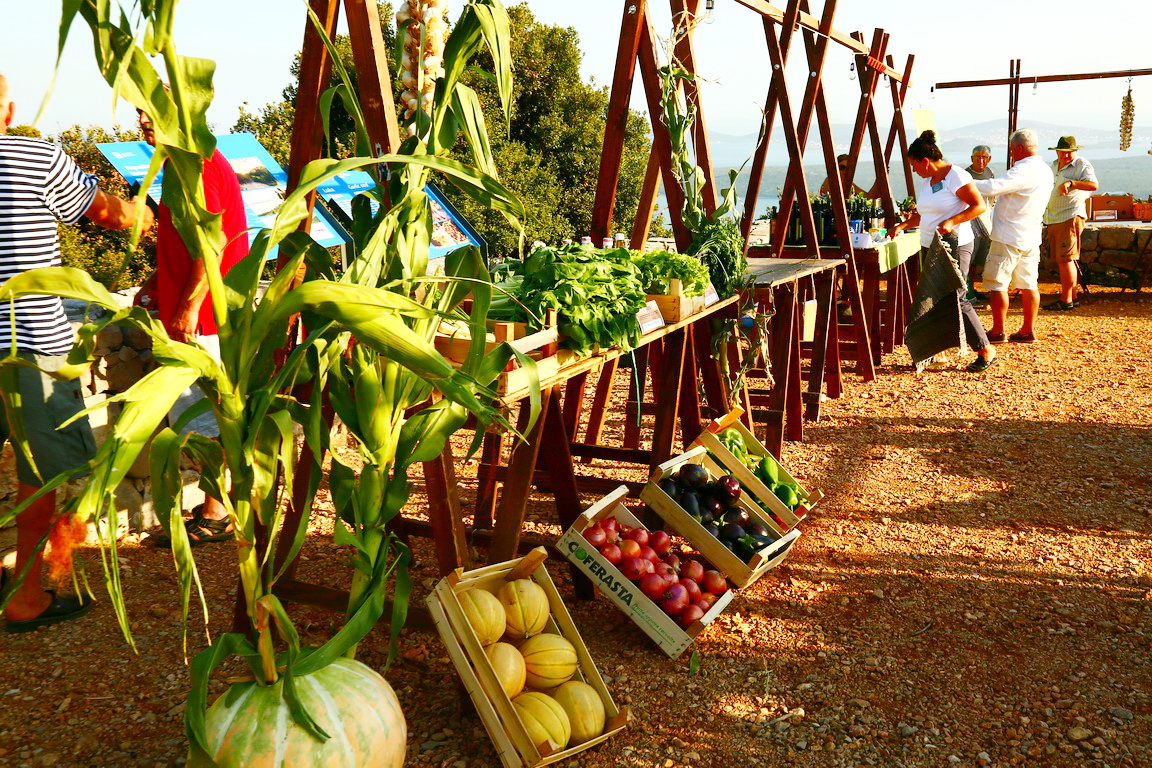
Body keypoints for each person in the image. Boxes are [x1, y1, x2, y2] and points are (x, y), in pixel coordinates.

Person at [0, 73, 154, 631]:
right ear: (11, 109)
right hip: (26, 344)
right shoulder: (30, 153)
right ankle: (28, 597)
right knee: (43, 474)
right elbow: (102, 212)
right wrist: (151, 212)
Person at [133, 106, 248, 544]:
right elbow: (186, 240)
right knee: (202, 412)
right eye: (140, 116)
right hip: (201, 309)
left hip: (206, 318)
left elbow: (212, 244)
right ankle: (220, 506)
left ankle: (216, 514)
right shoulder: (189, 161)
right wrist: (156, 284)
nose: (143, 125)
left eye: (150, 116)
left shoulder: (197, 165)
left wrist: (187, 309)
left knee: (200, 414)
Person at [891, 131, 995, 372]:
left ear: (925, 161)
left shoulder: (956, 175)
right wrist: (903, 225)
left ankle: (985, 348)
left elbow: (978, 205)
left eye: (914, 165)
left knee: (957, 297)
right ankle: (934, 351)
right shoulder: (929, 181)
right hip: (929, 245)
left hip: (955, 245)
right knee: (932, 298)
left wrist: (952, 221)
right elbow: (924, 213)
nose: (914, 170)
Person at [971, 128, 1055, 344]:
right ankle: (1027, 329)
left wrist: (963, 182)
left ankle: (998, 330)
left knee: (997, 283)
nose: (1011, 153)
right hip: (1031, 234)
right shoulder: (1045, 170)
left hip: (1008, 235)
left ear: (1018, 148)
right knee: (1029, 284)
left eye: (1011, 149)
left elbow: (992, 187)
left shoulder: (1023, 170)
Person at [1042, 135, 1098, 310]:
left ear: (1075, 151)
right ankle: (1072, 297)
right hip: (1054, 217)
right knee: (1065, 259)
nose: (1065, 156)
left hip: (1069, 216)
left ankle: (1066, 300)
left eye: (1069, 152)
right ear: (1057, 151)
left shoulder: (1082, 164)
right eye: (1062, 152)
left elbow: (1093, 185)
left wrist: (1071, 183)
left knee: (1066, 259)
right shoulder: (1053, 166)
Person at [963, 145, 995, 305]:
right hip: (971, 223)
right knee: (968, 257)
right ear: (972, 158)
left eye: (984, 157)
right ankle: (966, 291)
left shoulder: (990, 173)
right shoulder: (966, 175)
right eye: (978, 157)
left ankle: (971, 287)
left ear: (989, 159)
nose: (981, 160)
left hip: (985, 222)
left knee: (977, 260)